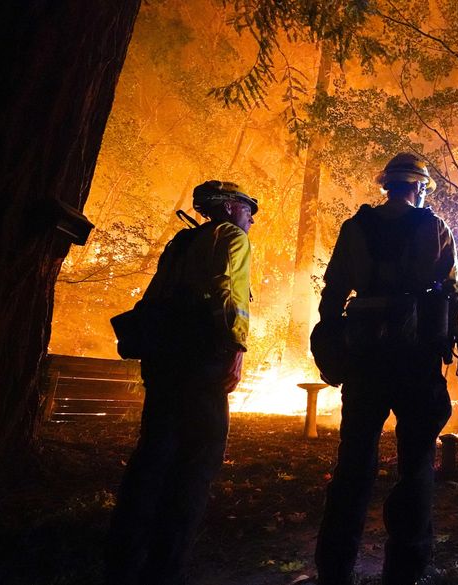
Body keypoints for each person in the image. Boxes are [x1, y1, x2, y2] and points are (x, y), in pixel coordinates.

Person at [313, 153, 458, 585]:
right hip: (416, 359)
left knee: (353, 461)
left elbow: (332, 293)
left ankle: (334, 569)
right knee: (416, 464)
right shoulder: (434, 227)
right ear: (419, 187)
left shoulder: (355, 228)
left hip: (365, 359)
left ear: (387, 185)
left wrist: (331, 345)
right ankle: (404, 571)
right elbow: (454, 295)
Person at [106, 180, 257, 585]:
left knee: (153, 455)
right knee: (198, 460)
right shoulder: (231, 237)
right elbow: (226, 292)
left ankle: (123, 558)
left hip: (164, 359)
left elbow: (155, 297)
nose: (250, 220)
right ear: (229, 207)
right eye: (248, 211)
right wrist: (236, 346)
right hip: (203, 358)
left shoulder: (181, 243)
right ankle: (167, 566)